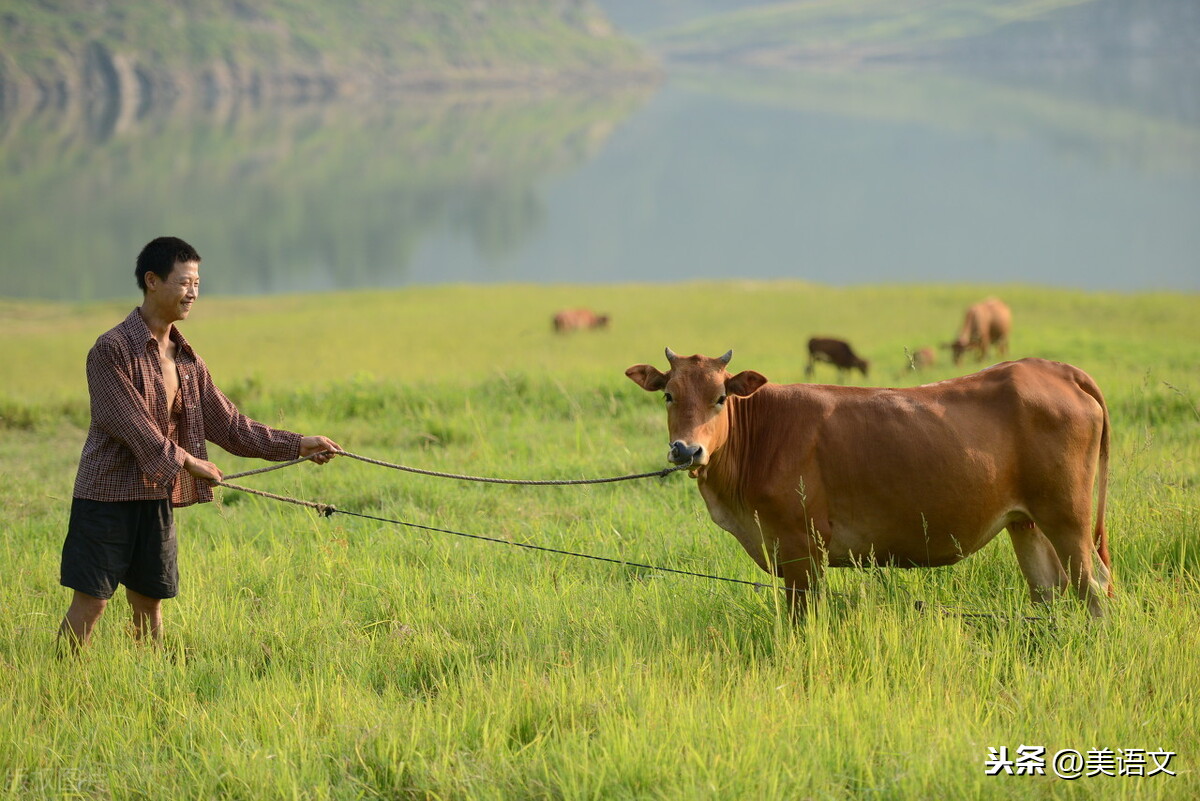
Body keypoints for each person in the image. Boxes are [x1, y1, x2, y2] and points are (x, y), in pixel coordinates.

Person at [58, 236, 341, 652]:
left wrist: (299, 444)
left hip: (154, 496)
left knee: (149, 604)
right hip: (106, 497)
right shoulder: (111, 349)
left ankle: (148, 681)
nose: (192, 292)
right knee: (92, 601)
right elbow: (131, 425)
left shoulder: (188, 359)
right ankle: (56, 682)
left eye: (197, 283)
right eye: (184, 282)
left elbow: (231, 426)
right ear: (152, 281)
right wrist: (189, 461)